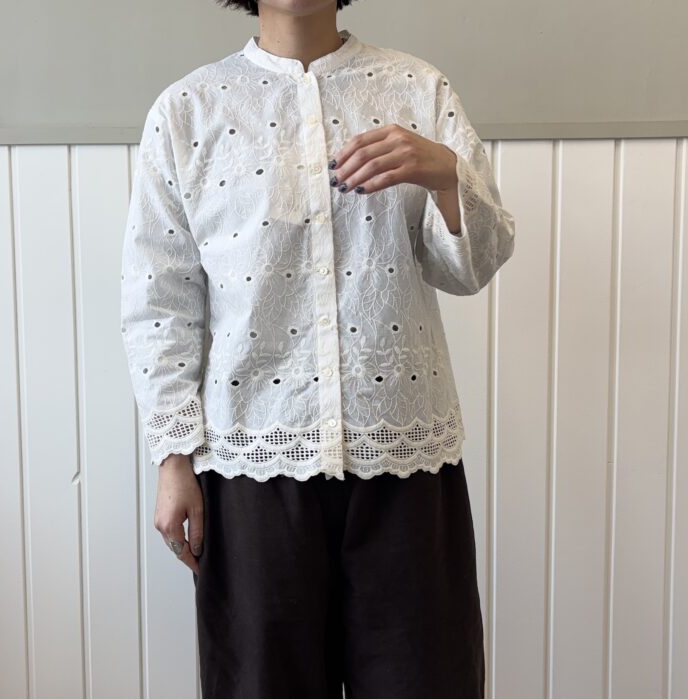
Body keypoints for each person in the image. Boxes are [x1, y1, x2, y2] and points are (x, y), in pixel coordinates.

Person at [119, 0, 516, 696]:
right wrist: (172, 457)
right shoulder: (188, 111)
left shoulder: (417, 90)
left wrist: (446, 173)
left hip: (403, 457)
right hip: (251, 462)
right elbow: (160, 299)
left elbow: (472, 266)